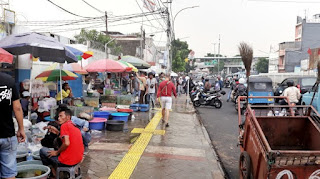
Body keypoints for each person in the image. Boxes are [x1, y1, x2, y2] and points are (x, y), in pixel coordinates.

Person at [40, 107, 84, 178]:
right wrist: (57, 132)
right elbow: (68, 139)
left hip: (67, 162)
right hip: (78, 159)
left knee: (42, 151)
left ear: (68, 117)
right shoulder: (74, 126)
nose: (59, 118)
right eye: (58, 116)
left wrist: (56, 152)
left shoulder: (64, 125)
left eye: (61, 116)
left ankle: (52, 172)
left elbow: (66, 143)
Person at [0, 72, 26, 179]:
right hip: (7, 135)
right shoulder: (8, 80)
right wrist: (21, 129)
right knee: (9, 174)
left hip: (8, 135)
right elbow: (17, 108)